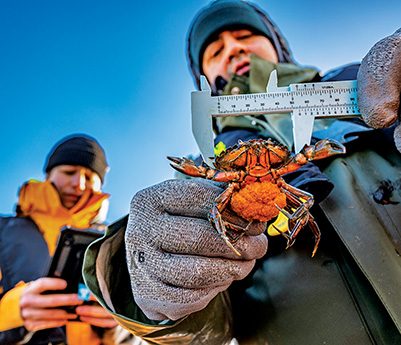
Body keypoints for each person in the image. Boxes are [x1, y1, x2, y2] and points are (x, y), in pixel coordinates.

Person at [82, 1, 401, 344]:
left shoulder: (367, 85)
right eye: (216, 50)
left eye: (245, 35)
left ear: (277, 46)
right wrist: (139, 282)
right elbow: (202, 334)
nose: (234, 49)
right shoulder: (200, 177)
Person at [0, 135, 128, 345]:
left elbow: (149, 331)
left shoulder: (118, 244)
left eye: (89, 177)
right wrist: (11, 311)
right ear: (48, 174)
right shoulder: (3, 231)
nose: (78, 184)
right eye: (69, 172)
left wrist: (120, 329)